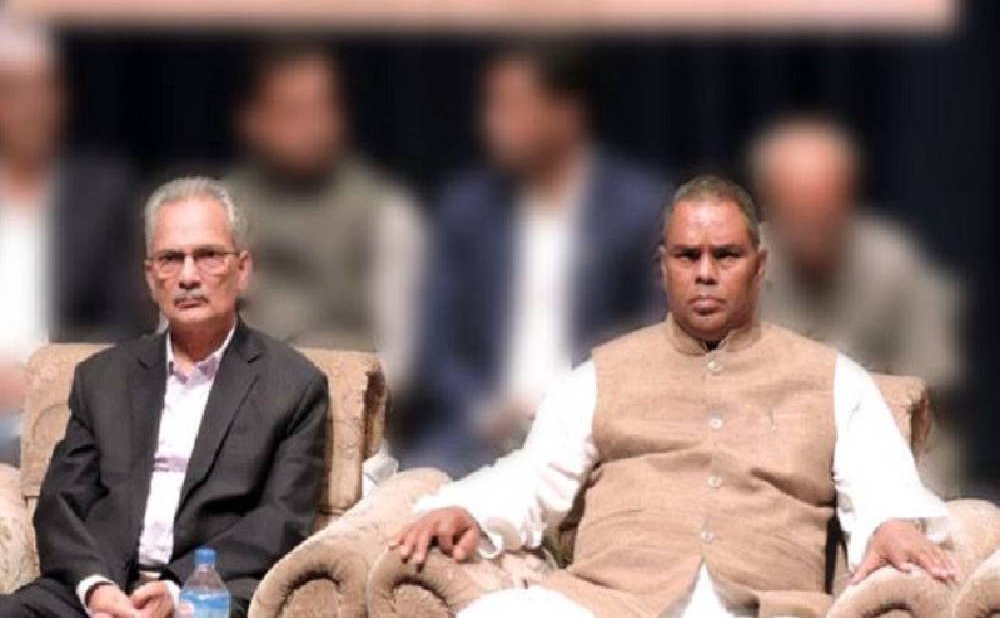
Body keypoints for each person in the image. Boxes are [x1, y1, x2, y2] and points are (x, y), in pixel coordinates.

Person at [393, 175, 953, 618]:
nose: (705, 273)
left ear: (760, 266)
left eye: (726, 256)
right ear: (663, 268)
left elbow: (879, 481)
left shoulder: (832, 379)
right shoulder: (600, 375)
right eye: (688, 256)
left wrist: (891, 523)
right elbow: (536, 476)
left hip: (763, 607)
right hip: (610, 603)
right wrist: (469, 509)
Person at [0, 178, 329, 617]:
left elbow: (281, 521)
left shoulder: (293, 386)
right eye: (171, 259)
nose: (188, 277)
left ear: (243, 269)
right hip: (97, 591)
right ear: (150, 277)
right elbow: (60, 504)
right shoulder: (102, 378)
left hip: (207, 593)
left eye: (208, 255)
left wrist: (177, 590)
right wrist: (95, 587)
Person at [402, 43, 667, 477]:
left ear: (568, 114)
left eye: (511, 106)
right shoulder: (466, 209)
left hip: (595, 437)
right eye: (491, 105)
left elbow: (654, 338)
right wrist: (485, 410)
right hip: (477, 434)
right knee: (410, 499)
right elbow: (437, 347)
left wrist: (572, 410)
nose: (492, 123)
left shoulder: (636, 209)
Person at [226, 39, 424, 398]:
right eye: (293, 112)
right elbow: (179, 343)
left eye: (323, 107)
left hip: (346, 409)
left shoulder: (385, 212)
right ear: (252, 121)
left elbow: (401, 359)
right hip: (234, 409)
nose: (313, 127)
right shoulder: (212, 213)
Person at [0, 20, 148, 466]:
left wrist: (47, 377)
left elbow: (127, 323)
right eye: (14, 92)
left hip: (65, 410)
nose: (32, 107)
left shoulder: (103, 194)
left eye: (44, 89)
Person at [750, 115, 961, 391]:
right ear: (769, 207)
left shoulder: (895, 263)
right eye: (797, 214)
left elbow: (932, 384)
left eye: (824, 213)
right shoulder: (738, 262)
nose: (812, 230)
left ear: (848, 200)